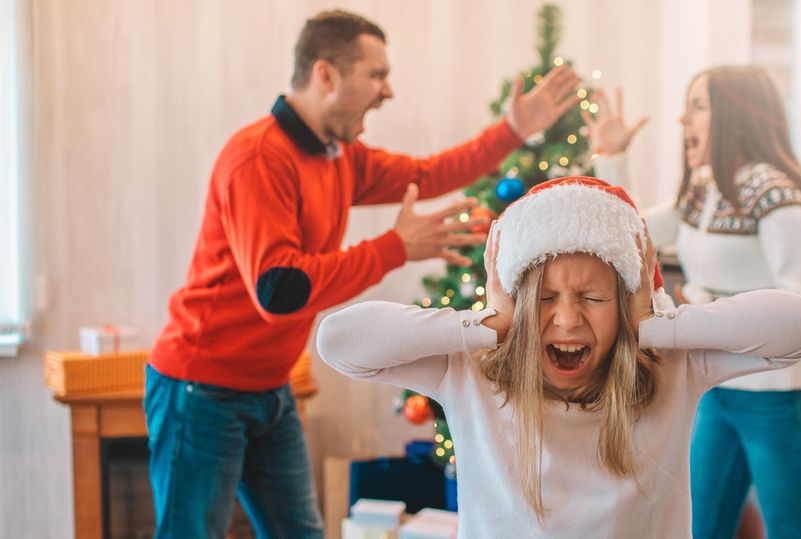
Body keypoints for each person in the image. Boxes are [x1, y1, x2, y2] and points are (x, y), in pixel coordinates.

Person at [144, 9, 581, 538]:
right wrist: (396, 247)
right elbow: (279, 289)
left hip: (268, 385)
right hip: (202, 386)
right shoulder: (258, 158)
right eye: (376, 74)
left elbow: (428, 173)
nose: (387, 91)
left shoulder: (338, 158)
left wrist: (513, 130)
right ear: (326, 74)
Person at [316, 176, 801, 538]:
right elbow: (338, 340)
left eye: (594, 298)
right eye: (543, 299)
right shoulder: (470, 369)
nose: (566, 320)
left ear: (626, 299)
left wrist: (654, 324)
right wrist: (488, 323)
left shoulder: (675, 364)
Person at [584, 66, 801, 538]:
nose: (682, 120)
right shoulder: (705, 190)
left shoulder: (777, 194)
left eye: (697, 106)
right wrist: (612, 158)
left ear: (737, 115)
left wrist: (703, 304)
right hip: (716, 392)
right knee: (698, 528)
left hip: (780, 402)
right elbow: (626, 230)